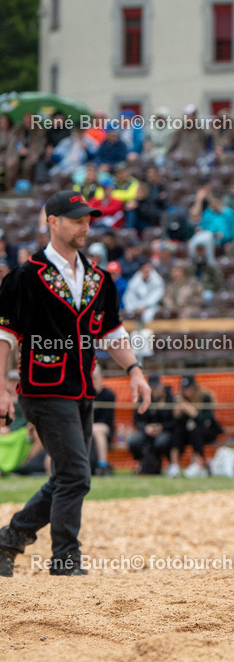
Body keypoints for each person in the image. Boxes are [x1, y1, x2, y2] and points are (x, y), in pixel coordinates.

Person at [0, 190, 151, 577]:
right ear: (53, 222)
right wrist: (1, 386)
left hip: (82, 388)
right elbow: (5, 335)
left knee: (68, 476)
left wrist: (134, 369)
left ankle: (9, 540)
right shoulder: (25, 277)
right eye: (77, 219)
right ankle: (65, 559)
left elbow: (112, 331)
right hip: (43, 388)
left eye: (87, 219)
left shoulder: (99, 277)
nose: (85, 226)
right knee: (75, 476)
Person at [167, 375, 222, 479]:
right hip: (188, 432)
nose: (186, 391)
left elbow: (206, 420)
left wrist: (192, 412)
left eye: (189, 388)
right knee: (177, 432)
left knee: (196, 431)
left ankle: (198, 464)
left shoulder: (205, 397)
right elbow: (177, 423)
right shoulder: (180, 400)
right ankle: (174, 465)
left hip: (206, 430)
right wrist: (178, 414)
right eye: (184, 389)